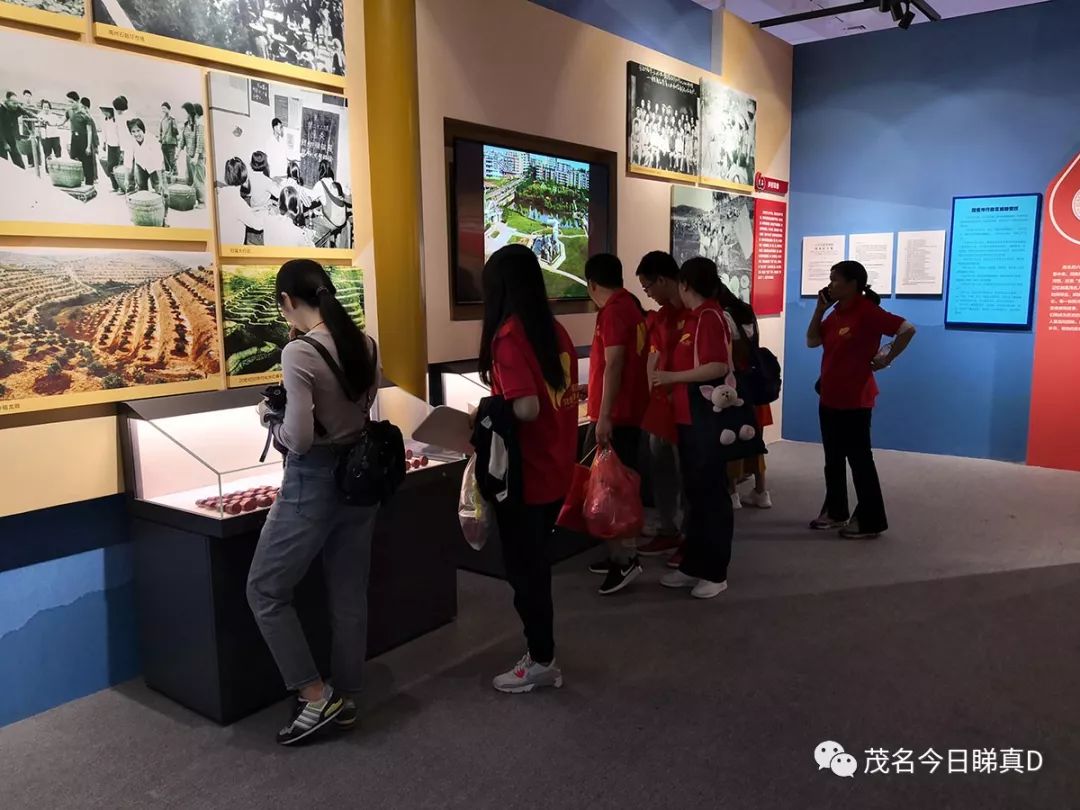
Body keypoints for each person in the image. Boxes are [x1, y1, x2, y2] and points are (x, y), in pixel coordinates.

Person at [247, 259, 380, 746]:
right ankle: (347, 696)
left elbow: (299, 439)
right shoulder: (363, 343)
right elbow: (362, 408)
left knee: (264, 590)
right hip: (360, 478)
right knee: (349, 594)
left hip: (313, 481)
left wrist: (269, 419)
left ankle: (314, 694)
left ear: (287, 301)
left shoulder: (299, 353)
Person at [478, 244, 578, 693]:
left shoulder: (509, 336)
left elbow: (527, 406)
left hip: (525, 474)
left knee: (526, 574)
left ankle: (541, 659)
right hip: (556, 467)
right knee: (536, 567)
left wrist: (483, 414)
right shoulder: (553, 330)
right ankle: (542, 653)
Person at [806, 260, 916, 539]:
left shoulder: (868, 312)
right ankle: (836, 511)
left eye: (835, 280)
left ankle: (871, 519)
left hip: (855, 399)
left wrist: (887, 356)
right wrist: (819, 309)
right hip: (829, 396)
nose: (830, 285)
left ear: (852, 284)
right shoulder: (835, 314)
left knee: (860, 461)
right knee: (832, 459)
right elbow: (812, 340)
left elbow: (907, 329)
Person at [650, 257, 734, 600]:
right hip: (688, 418)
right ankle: (693, 565)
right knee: (696, 495)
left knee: (711, 496)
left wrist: (673, 378)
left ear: (685, 284)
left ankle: (715, 571)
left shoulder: (710, 317)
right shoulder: (694, 319)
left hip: (706, 418)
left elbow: (717, 366)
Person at [581, 253, 649, 595]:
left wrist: (604, 416)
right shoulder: (631, 307)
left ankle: (625, 560)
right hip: (627, 411)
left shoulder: (613, 312)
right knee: (617, 485)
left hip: (617, 415)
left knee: (613, 490)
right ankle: (618, 554)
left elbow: (615, 364)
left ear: (592, 284)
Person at [634, 251, 687, 564]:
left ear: (664, 280)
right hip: (660, 411)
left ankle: (691, 541)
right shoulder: (662, 316)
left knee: (689, 477)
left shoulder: (698, 314)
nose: (649, 294)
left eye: (648, 287)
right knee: (663, 472)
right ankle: (669, 530)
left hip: (687, 411)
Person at [715, 284, 773, 510]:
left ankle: (732, 493)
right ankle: (761, 490)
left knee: (730, 438)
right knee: (755, 439)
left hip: (735, 384)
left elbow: (725, 354)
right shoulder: (747, 311)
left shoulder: (723, 316)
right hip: (754, 381)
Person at [217, 157, 266, 245]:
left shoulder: (221, 194)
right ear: (244, 175)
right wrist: (267, 214)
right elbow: (258, 225)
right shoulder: (239, 203)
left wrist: (257, 209)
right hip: (233, 249)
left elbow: (239, 213)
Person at [310, 158, 351, 247]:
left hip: (331, 222)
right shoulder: (337, 184)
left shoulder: (320, 184)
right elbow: (348, 194)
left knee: (308, 223)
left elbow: (310, 199)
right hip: (341, 220)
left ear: (320, 171)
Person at [125, 118, 165, 195]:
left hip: (154, 167)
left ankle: (163, 202)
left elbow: (158, 160)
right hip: (141, 166)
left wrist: (160, 181)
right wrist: (126, 179)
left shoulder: (152, 139)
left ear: (143, 130)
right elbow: (128, 160)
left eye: (138, 130)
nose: (136, 134)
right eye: (133, 131)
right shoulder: (130, 141)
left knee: (160, 188)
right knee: (142, 189)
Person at [181, 102, 206, 207]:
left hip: (198, 157)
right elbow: (183, 140)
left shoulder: (200, 124)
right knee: (190, 179)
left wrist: (196, 156)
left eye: (188, 113)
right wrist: (179, 152)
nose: (186, 115)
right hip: (189, 155)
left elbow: (200, 142)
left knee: (198, 179)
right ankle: (192, 199)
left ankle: (202, 201)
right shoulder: (187, 125)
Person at [0, 91, 31, 169]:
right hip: (1, 138)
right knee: (4, 162)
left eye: (17, 103)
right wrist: (4, 143)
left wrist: (38, 118)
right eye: (14, 103)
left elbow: (26, 112)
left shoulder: (15, 107)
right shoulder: (1, 109)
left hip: (11, 137)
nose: (16, 105)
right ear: (7, 102)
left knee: (19, 163)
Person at [101, 108, 123, 192]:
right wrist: (104, 142)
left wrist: (121, 149)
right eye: (103, 112)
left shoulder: (116, 121)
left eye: (105, 112)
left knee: (117, 167)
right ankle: (115, 186)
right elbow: (104, 132)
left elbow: (120, 135)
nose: (104, 114)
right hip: (110, 146)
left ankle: (120, 186)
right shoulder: (106, 121)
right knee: (110, 167)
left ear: (110, 111)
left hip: (117, 146)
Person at [159, 102, 180, 176]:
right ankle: (168, 171)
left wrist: (173, 122)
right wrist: (160, 140)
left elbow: (176, 131)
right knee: (165, 158)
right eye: (162, 109)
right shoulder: (162, 120)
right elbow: (160, 132)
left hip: (171, 142)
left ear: (168, 109)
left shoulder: (172, 119)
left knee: (171, 159)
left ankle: (175, 172)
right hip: (164, 142)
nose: (163, 110)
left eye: (164, 108)